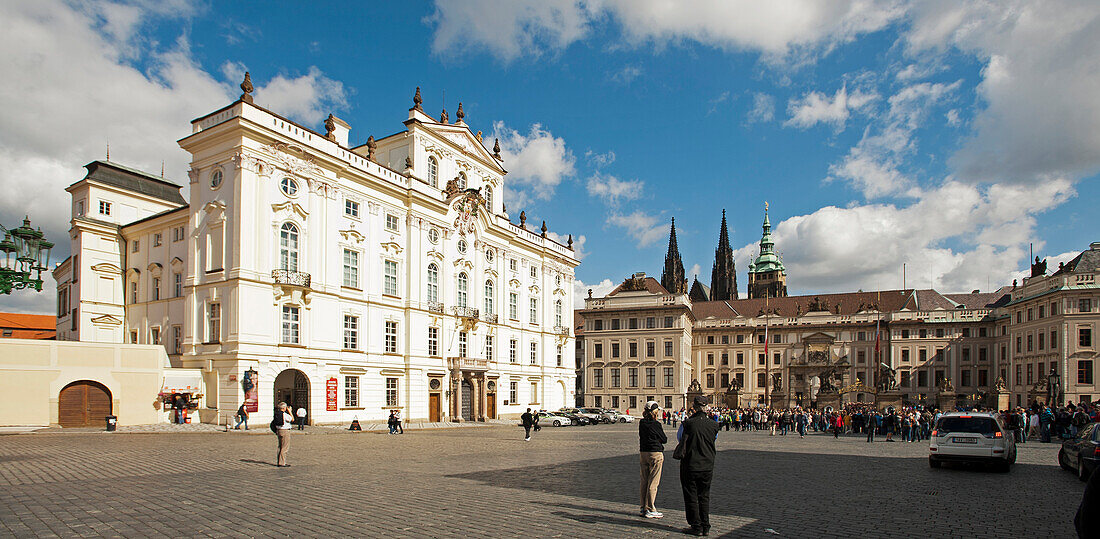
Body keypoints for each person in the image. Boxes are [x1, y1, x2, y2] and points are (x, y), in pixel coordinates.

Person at [677, 395, 719, 536]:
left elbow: (680, 438)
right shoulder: (714, 424)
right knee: (704, 496)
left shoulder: (688, 423)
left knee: (691, 495)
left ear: (694, 408)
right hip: (707, 464)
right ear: (706, 407)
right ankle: (705, 525)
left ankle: (696, 525)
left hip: (690, 464)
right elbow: (714, 438)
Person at [638, 401, 667, 519]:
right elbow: (664, 439)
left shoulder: (641, 423)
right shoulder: (656, 424)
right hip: (655, 453)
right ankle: (650, 508)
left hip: (643, 453)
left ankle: (642, 507)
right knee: (653, 482)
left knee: (644, 480)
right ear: (655, 412)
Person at [272, 402, 294, 467]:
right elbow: (292, 419)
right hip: (285, 431)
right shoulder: (285, 415)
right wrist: (290, 411)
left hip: (279, 430)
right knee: (285, 447)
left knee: (280, 446)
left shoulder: (277, 414)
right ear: (284, 408)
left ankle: (279, 461)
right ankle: (282, 462)